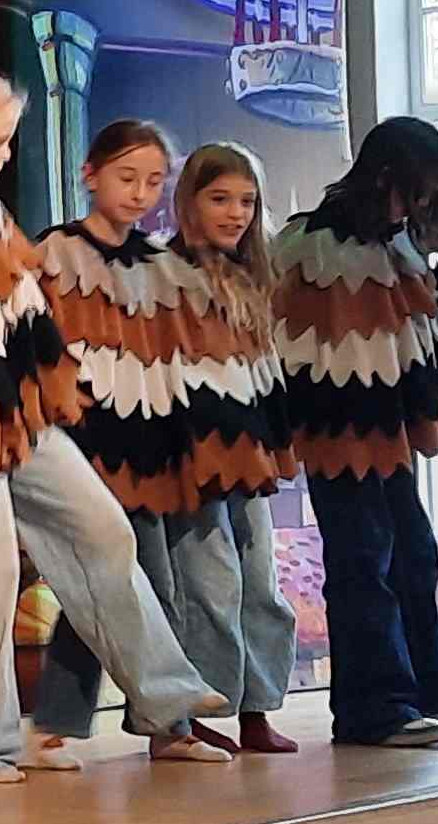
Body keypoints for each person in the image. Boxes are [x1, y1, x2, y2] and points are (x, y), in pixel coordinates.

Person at [0, 71, 229, 774]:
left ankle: (164, 693)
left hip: (18, 411)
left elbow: (24, 317)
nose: (6, 153)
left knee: (101, 526)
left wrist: (50, 391)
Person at [29, 123, 289, 761]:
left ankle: (186, 721)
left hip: (174, 449)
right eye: (128, 177)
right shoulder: (65, 252)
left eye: (151, 181)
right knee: (127, 582)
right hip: (110, 448)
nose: (139, 193)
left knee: (188, 584)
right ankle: (74, 723)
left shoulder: (169, 267)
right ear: (91, 174)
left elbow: (219, 369)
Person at [277, 117, 438, 749]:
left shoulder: (395, 247)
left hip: (388, 432)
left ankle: (425, 682)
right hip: (338, 431)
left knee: (413, 553)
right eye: (422, 189)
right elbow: (297, 341)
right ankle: (373, 707)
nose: (424, 204)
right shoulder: (311, 245)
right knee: (362, 561)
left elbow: (423, 333)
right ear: (390, 177)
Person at [161, 143, 307, 751]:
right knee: (207, 582)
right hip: (193, 453)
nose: (235, 213)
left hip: (250, 450)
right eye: (219, 199)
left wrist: (280, 444)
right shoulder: (166, 276)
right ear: (189, 201)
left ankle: (256, 709)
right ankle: (191, 713)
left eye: (246, 201)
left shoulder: (250, 279)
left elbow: (265, 370)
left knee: (259, 580)